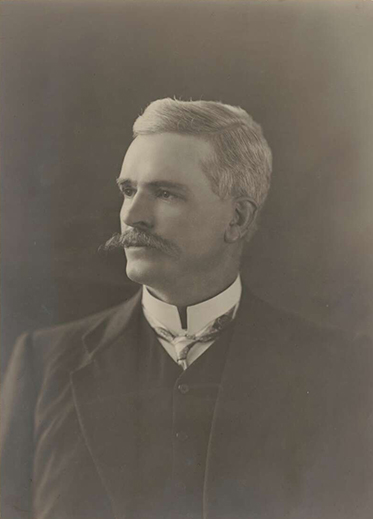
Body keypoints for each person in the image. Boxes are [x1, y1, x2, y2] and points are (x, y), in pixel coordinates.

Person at [1, 98, 372, 519]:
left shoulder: (337, 371)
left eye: (165, 193)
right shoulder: (43, 364)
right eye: (128, 190)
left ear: (237, 219)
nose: (132, 215)